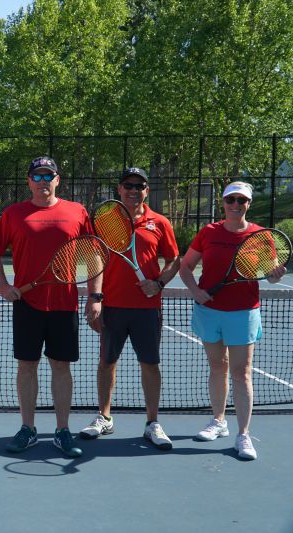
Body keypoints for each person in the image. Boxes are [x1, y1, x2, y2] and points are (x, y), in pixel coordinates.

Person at [0, 156, 101, 458]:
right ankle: (28, 428)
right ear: (28, 181)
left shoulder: (76, 212)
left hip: (65, 306)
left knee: (61, 367)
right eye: (36, 176)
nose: (42, 182)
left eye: (48, 176)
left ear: (57, 180)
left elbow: (93, 256)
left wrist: (95, 296)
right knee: (27, 366)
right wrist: (2, 285)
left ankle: (62, 431)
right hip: (27, 305)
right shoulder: (13, 214)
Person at [179, 181, 287, 460]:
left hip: (243, 312)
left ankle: (243, 435)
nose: (236, 205)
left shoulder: (261, 236)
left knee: (242, 372)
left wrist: (274, 275)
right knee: (217, 366)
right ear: (223, 203)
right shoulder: (209, 232)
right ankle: (218, 421)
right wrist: (195, 291)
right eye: (231, 200)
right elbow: (185, 265)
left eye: (241, 201)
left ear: (248, 204)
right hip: (209, 311)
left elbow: (269, 272)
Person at [79, 167, 180, 450]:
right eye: (128, 185)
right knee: (106, 363)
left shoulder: (159, 222)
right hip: (112, 306)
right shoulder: (104, 222)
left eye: (139, 185)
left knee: (149, 363)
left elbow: (174, 260)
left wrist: (158, 283)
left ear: (146, 190)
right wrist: (95, 297)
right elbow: (95, 259)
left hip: (146, 309)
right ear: (119, 189)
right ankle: (104, 417)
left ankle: (152, 423)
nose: (134, 190)